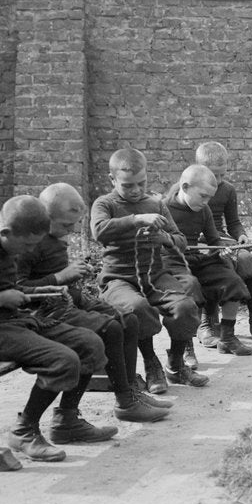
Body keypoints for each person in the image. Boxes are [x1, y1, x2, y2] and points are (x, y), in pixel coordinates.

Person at [0, 196, 110, 461]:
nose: (28, 252)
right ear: (6, 232)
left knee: (89, 343)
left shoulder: (7, 246)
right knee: (62, 359)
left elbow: (9, 288)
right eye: (27, 244)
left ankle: (67, 420)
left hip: (13, 322)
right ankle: (24, 429)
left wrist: (40, 291)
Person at [17, 183, 171, 426]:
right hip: (44, 312)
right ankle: (120, 403)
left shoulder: (54, 236)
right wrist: (60, 278)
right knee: (109, 329)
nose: (72, 230)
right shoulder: (28, 244)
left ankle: (129, 393)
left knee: (129, 319)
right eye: (67, 225)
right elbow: (18, 290)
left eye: (75, 224)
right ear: (44, 217)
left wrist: (72, 276)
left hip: (67, 300)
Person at [91, 148, 207, 393]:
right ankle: (151, 362)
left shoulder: (156, 203)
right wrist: (136, 219)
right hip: (118, 279)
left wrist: (164, 238)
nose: (135, 190)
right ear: (113, 180)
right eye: (128, 185)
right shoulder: (105, 203)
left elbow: (180, 240)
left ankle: (175, 366)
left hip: (154, 276)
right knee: (137, 308)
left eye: (141, 183)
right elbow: (98, 230)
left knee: (185, 307)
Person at [165, 164, 252, 363]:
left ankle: (227, 337)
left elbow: (214, 239)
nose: (206, 202)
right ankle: (186, 347)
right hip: (173, 263)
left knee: (232, 280)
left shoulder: (202, 209)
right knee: (190, 286)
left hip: (195, 259)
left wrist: (222, 249)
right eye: (202, 196)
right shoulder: (164, 209)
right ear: (185, 187)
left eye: (209, 198)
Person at [194, 142, 252, 344]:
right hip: (199, 242)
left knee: (247, 261)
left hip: (222, 239)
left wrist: (241, 235)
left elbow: (233, 223)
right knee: (212, 262)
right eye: (213, 175)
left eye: (222, 175)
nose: (217, 181)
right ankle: (206, 323)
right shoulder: (189, 187)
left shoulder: (227, 190)